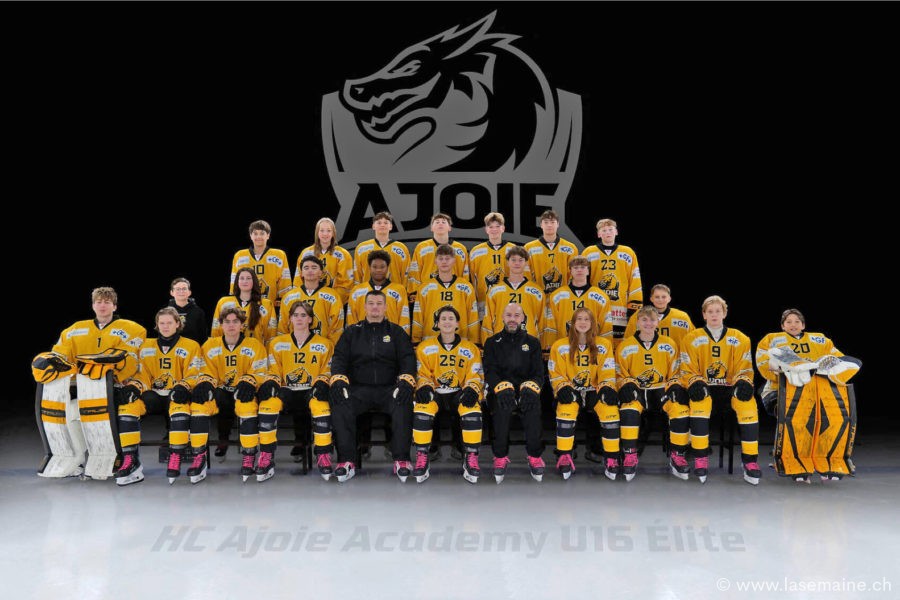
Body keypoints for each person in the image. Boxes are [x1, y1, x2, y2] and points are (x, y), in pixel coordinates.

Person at [34, 286, 146, 481]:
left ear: (114, 306)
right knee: (67, 412)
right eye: (99, 302)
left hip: (114, 387)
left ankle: (126, 459)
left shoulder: (133, 329)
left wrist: (112, 369)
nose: (102, 305)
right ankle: (74, 458)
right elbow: (59, 354)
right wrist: (50, 362)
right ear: (93, 305)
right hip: (79, 387)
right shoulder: (75, 329)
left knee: (118, 413)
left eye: (107, 302)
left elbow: (131, 359)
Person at [756, 309, 861, 482]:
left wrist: (841, 365)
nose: (793, 325)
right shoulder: (772, 339)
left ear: (803, 325)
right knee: (795, 416)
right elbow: (762, 363)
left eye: (797, 321)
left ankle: (823, 460)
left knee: (832, 417)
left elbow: (837, 358)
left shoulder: (820, 339)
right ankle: (790, 459)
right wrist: (780, 370)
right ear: (782, 326)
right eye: (789, 322)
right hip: (778, 391)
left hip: (817, 393)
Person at [329, 290, 417, 483]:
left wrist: (405, 382)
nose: (375, 307)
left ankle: (402, 460)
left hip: (389, 389)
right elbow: (339, 358)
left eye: (379, 303)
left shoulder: (396, 332)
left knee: (403, 403)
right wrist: (338, 380)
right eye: (371, 303)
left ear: (385, 307)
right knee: (340, 402)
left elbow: (408, 359)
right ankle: (346, 461)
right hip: (359, 389)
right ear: (365, 307)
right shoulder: (352, 332)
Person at [680, 296, 760, 485]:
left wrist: (743, 381)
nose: (714, 315)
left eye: (718, 311)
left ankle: (750, 462)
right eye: (710, 311)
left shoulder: (740, 338)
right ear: (704, 315)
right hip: (704, 388)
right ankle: (700, 457)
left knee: (748, 406)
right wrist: (694, 381)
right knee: (699, 405)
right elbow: (686, 368)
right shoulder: (691, 338)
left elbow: (745, 368)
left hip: (729, 389)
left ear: (724, 313)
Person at [118, 307, 202, 485]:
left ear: (178, 324)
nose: (165, 326)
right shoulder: (145, 346)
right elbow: (141, 375)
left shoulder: (191, 345)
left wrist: (184, 386)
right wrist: (134, 387)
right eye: (161, 323)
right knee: (127, 408)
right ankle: (130, 459)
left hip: (178, 394)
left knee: (179, 411)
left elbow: (194, 373)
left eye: (169, 323)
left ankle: (175, 456)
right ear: (157, 325)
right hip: (154, 396)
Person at [187, 306, 268, 483]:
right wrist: (206, 383)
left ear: (242, 325)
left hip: (245, 391)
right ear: (221, 325)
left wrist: (249, 380)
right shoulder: (210, 345)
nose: (231, 325)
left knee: (246, 404)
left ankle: (249, 454)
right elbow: (204, 370)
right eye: (227, 322)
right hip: (221, 390)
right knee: (201, 403)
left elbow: (261, 371)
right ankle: (201, 455)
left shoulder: (255, 345)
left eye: (235, 321)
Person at [259, 301, 335, 481]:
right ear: (290, 319)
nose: (299, 318)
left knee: (322, 407)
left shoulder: (325, 344)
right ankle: (266, 456)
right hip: (287, 390)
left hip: (311, 390)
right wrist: (271, 382)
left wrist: (322, 382)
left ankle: (323, 454)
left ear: (310, 319)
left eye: (303, 315)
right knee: (267, 405)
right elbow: (274, 370)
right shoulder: (278, 343)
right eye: (295, 315)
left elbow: (327, 370)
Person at [614, 306, 691, 482]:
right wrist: (625, 384)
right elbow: (619, 374)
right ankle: (630, 455)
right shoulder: (625, 346)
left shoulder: (669, 344)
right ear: (637, 322)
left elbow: (676, 372)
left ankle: (678, 455)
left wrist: (675, 385)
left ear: (658, 322)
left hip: (661, 390)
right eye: (644, 320)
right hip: (637, 391)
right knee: (628, 411)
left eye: (652, 320)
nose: (648, 323)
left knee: (680, 411)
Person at [412, 306, 485, 483]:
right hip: (435, 392)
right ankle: (422, 455)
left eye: (451, 318)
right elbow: (421, 374)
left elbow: (476, 374)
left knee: (472, 411)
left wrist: (471, 389)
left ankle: (471, 456)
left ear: (457, 324)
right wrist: (424, 387)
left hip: (458, 393)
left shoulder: (470, 349)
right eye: (443, 319)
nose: (447, 322)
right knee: (422, 410)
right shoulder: (425, 347)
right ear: (437, 323)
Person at [547, 307, 620, 481]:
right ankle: (564, 455)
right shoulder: (560, 346)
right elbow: (555, 373)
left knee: (610, 411)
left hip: (594, 390)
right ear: (573, 323)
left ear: (593, 323)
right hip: (571, 389)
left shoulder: (604, 344)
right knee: (566, 411)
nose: (582, 322)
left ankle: (611, 457)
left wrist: (605, 387)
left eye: (587, 319)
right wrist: (562, 387)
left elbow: (608, 371)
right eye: (579, 319)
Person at [483, 303, 545, 483]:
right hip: (501, 391)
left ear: (523, 318)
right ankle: (500, 456)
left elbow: (539, 373)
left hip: (526, 390)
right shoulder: (492, 342)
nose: (512, 319)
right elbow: (490, 371)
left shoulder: (533, 343)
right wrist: (501, 388)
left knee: (533, 408)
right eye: (509, 315)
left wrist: (530, 388)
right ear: (502, 317)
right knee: (501, 410)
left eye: (516, 315)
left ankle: (534, 456)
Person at [581, 218, 643, 344]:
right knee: (596, 342)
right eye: (604, 230)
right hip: (596, 307)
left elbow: (635, 279)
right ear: (599, 234)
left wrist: (634, 305)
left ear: (616, 232)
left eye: (610, 229)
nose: (607, 232)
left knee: (620, 344)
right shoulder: (589, 252)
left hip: (620, 310)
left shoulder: (628, 252)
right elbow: (581, 278)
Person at [412, 244, 479, 344]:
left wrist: (475, 342)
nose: (444, 262)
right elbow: (418, 318)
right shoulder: (424, 288)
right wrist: (415, 341)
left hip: (460, 345)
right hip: (431, 345)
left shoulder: (466, 288)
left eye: (447, 258)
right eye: (440, 258)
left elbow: (472, 318)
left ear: (454, 261)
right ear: (435, 261)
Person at [544, 256, 613, 348]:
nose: (579, 270)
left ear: (588, 271)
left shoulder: (601, 297)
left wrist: (606, 348)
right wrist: (549, 346)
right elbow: (551, 325)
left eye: (583, 267)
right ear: (570, 271)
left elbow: (606, 326)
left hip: (591, 347)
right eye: (575, 268)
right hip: (564, 347)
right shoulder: (557, 296)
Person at [481, 246, 544, 345]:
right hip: (501, 343)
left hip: (528, 343)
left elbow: (542, 322)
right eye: (513, 260)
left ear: (526, 263)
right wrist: (488, 345)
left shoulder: (537, 292)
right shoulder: (494, 291)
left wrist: (542, 346)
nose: (517, 263)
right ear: (507, 262)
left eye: (520, 260)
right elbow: (487, 320)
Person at [278, 256, 344, 344]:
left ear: (321, 273)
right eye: (306, 268)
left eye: (314, 267)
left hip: (322, 347)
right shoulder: (288, 297)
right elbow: (283, 327)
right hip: (294, 348)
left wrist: (331, 347)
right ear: (301, 273)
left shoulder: (333, 296)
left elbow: (336, 327)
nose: (310, 270)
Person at [228, 220, 291, 307]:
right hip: (246, 305)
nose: (258, 236)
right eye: (255, 233)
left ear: (268, 235)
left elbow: (285, 280)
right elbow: (234, 280)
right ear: (250, 236)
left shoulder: (279, 255)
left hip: (271, 305)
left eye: (262, 233)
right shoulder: (239, 255)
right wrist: (234, 298)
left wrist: (282, 300)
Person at [408, 213, 470, 300]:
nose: (440, 224)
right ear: (431, 228)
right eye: (437, 222)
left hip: (455, 294)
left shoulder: (461, 249)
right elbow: (415, 271)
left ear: (449, 228)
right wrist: (414, 292)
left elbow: (465, 273)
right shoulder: (421, 247)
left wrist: (465, 292)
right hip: (427, 294)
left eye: (443, 222)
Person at [347, 250, 410, 334]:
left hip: (391, 338)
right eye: (375, 267)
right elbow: (351, 319)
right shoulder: (356, 291)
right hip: (363, 338)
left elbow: (404, 319)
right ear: (369, 267)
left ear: (388, 267)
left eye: (382, 267)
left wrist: (401, 339)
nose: (378, 270)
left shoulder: (399, 290)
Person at [467, 212, 517, 318]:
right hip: (483, 302)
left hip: (508, 300)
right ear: (486, 229)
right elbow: (471, 279)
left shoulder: (513, 249)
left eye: (497, 226)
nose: (494, 229)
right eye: (491, 227)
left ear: (503, 228)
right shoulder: (476, 251)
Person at [211, 267, 277, 346]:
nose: (245, 281)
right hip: (228, 350)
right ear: (237, 281)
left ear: (254, 281)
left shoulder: (266, 304)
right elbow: (216, 332)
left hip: (256, 351)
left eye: (248, 278)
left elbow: (271, 336)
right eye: (242, 278)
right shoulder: (223, 303)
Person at [295, 217, 354, 305]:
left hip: (332, 302)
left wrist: (331, 301)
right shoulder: (306, 253)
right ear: (317, 233)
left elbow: (346, 283)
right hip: (307, 304)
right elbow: (298, 280)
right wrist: (304, 301)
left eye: (329, 231)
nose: (325, 234)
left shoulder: (343, 255)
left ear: (333, 233)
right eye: (322, 230)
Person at [524, 209, 579, 298]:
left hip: (563, 298)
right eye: (546, 222)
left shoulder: (571, 248)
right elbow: (526, 274)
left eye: (553, 222)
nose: (549, 225)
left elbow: (574, 275)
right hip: (538, 298)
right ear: (541, 225)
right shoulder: (528, 248)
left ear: (558, 224)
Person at [623, 284, 694, 350]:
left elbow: (692, 339)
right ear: (651, 299)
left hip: (675, 357)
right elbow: (627, 341)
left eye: (664, 297)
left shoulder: (682, 317)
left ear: (669, 299)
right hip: (647, 356)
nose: (660, 300)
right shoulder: (638, 316)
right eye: (657, 297)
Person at [353, 211, 410, 286]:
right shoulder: (361, 248)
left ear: (391, 226)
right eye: (379, 223)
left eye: (386, 223)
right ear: (373, 226)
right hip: (368, 292)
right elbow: (357, 274)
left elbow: (406, 274)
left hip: (394, 291)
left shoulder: (401, 248)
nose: (382, 225)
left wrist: (404, 291)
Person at [167, 277, 209, 344]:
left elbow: (203, 336)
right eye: (178, 289)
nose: (181, 291)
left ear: (189, 292)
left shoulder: (198, 312)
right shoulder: (165, 313)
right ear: (171, 292)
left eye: (184, 289)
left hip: (193, 348)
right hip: (172, 348)